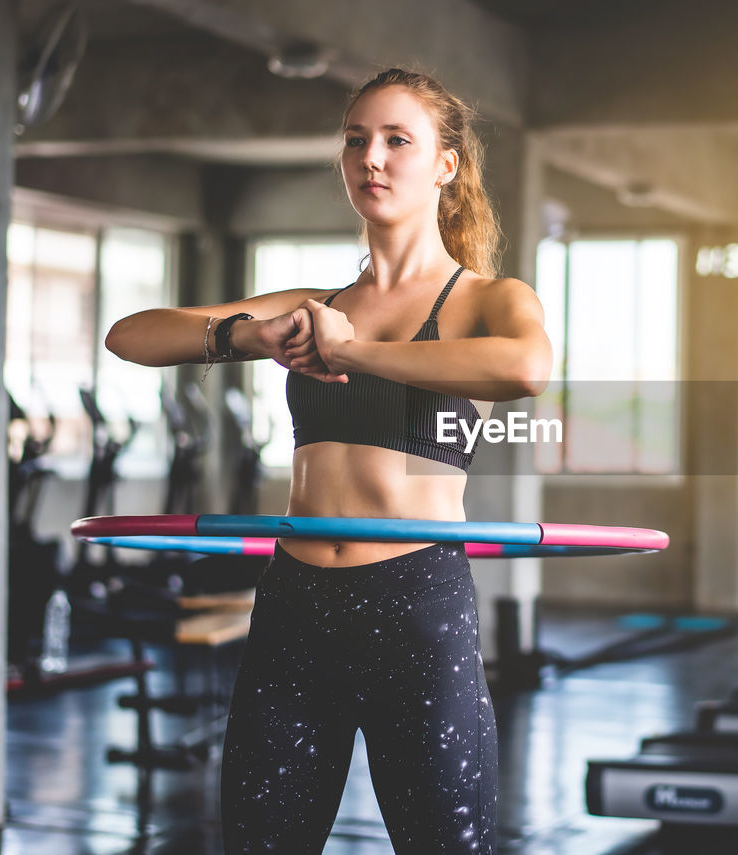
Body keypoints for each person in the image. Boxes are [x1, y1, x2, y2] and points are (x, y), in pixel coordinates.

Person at [105, 67, 552, 854]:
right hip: (295, 605)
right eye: (355, 140)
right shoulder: (319, 306)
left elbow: (526, 367)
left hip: (415, 604)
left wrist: (363, 353)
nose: (370, 157)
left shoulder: (487, 299)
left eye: (396, 140)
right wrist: (244, 336)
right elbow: (129, 335)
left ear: (446, 165)